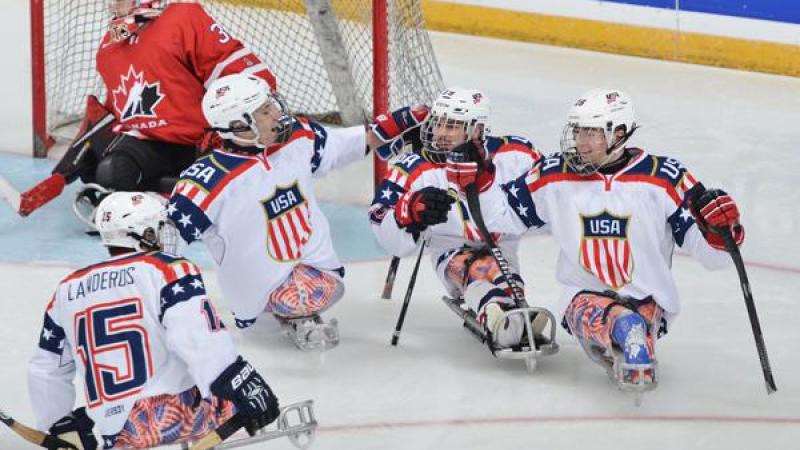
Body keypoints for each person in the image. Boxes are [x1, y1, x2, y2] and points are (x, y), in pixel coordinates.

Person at [478, 88, 744, 393]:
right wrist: (481, 183)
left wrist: (722, 230)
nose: (581, 141)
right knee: (626, 327)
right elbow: (497, 218)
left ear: (619, 133)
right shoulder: (553, 174)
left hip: (648, 300)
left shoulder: (666, 178)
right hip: (582, 297)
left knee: (635, 328)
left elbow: (716, 258)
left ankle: (631, 329)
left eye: (592, 132)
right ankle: (626, 328)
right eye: (579, 131)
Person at [28, 191, 280, 449]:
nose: (163, 234)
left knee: (90, 415)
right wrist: (241, 384)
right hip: (172, 417)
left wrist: (60, 423)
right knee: (232, 394)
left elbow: (46, 369)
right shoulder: (168, 269)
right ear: (143, 233)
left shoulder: (67, 288)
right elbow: (197, 338)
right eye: (158, 227)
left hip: (116, 432)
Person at [166, 73, 385, 351]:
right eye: (265, 111)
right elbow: (166, 242)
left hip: (316, 272)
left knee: (311, 288)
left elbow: (341, 144)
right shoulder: (206, 180)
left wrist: (394, 128)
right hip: (256, 297)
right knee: (297, 294)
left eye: (271, 105)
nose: (277, 114)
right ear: (238, 125)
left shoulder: (297, 138)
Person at [45, 0, 277, 222]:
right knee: (112, 172)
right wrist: (87, 152)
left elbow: (248, 77)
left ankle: (170, 196)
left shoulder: (183, 18)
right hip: (153, 146)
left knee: (227, 182)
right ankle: (169, 198)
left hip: (205, 142)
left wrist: (238, 129)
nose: (114, 5)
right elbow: (117, 111)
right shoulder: (110, 46)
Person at [368, 87, 558, 357]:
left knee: (503, 278)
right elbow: (380, 222)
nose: (440, 133)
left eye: (453, 125)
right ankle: (503, 319)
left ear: (477, 130)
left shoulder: (514, 154)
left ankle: (504, 314)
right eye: (438, 123)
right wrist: (407, 212)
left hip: (503, 245)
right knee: (479, 271)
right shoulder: (413, 167)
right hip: (450, 250)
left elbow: (551, 192)